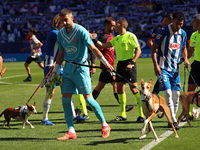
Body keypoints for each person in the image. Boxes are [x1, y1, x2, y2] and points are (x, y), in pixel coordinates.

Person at [50, 8, 113, 140]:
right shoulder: (60, 34)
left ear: (72, 17)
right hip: (68, 70)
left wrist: (106, 64)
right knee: (65, 99)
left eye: (66, 20)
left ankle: (105, 125)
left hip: (81, 70)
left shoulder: (81, 31)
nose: (64, 23)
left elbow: (94, 48)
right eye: (62, 21)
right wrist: (54, 71)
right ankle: (71, 131)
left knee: (89, 99)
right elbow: (61, 54)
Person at [41, 15, 88, 125]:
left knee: (67, 89)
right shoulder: (54, 33)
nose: (66, 24)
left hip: (59, 64)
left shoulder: (60, 33)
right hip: (50, 64)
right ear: (59, 23)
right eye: (63, 21)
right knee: (50, 92)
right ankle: (44, 118)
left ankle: (74, 116)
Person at [95, 17, 145, 122]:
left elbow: (138, 50)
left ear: (121, 25)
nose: (114, 26)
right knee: (120, 90)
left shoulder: (130, 36)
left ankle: (141, 114)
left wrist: (132, 63)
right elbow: (103, 46)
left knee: (134, 89)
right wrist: (93, 39)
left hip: (129, 64)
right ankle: (123, 115)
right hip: (120, 65)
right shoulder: (116, 38)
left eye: (116, 24)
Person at [151, 11, 189, 130]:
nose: (179, 26)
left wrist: (186, 59)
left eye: (181, 24)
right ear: (172, 21)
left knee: (176, 95)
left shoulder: (183, 33)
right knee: (167, 93)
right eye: (177, 23)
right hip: (163, 69)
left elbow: (183, 48)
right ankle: (173, 121)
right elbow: (153, 49)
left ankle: (171, 119)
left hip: (175, 69)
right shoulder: (163, 32)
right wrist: (156, 65)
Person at [92, 17, 134, 112]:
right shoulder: (104, 37)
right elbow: (97, 51)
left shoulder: (112, 37)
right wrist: (94, 64)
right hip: (107, 67)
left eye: (115, 25)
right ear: (106, 25)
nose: (114, 27)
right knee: (116, 85)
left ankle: (89, 104)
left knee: (100, 86)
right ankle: (124, 106)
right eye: (112, 25)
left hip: (109, 66)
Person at [180, 14, 200, 121]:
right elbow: (191, 50)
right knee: (190, 89)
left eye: (193, 22)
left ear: (199, 22)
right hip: (196, 65)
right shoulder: (193, 35)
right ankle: (189, 114)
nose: (191, 24)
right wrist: (184, 59)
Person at [147, 13, 173, 94]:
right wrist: (156, 50)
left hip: (168, 56)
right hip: (161, 57)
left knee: (164, 76)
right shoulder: (158, 29)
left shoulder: (169, 29)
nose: (172, 24)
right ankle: (154, 94)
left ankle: (155, 94)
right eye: (171, 22)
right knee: (161, 76)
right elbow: (149, 42)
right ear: (166, 21)